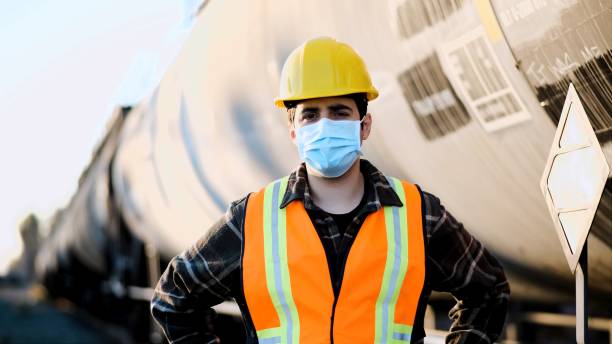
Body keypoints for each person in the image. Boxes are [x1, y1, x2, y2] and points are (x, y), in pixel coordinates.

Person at [151, 37, 510, 344]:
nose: (324, 125)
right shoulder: (251, 220)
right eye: (310, 114)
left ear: (364, 125)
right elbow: (173, 297)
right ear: (293, 129)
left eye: (339, 112)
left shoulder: (419, 215)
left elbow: (488, 291)